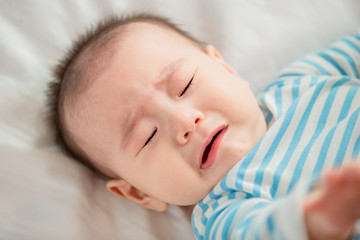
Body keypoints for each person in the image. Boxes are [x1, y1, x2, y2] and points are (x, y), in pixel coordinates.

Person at [46, 13, 360, 239]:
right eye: (148, 136)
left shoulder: (300, 82)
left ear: (223, 66)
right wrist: (318, 218)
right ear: (138, 193)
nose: (184, 122)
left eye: (184, 85)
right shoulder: (222, 211)